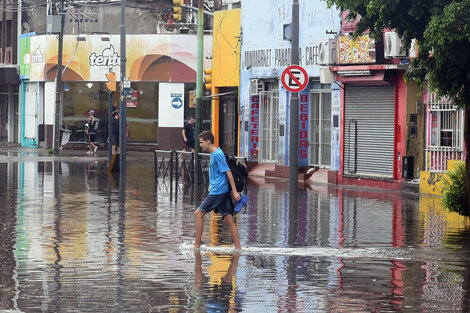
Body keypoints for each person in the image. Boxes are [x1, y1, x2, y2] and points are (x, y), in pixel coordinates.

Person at [194, 131, 242, 251]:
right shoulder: (215, 153)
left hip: (218, 191)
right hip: (221, 190)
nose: (200, 145)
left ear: (208, 141)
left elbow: (228, 172)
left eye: (201, 142)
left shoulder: (217, 154)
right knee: (229, 219)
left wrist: (235, 192)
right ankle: (238, 248)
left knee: (198, 214)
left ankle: (196, 246)